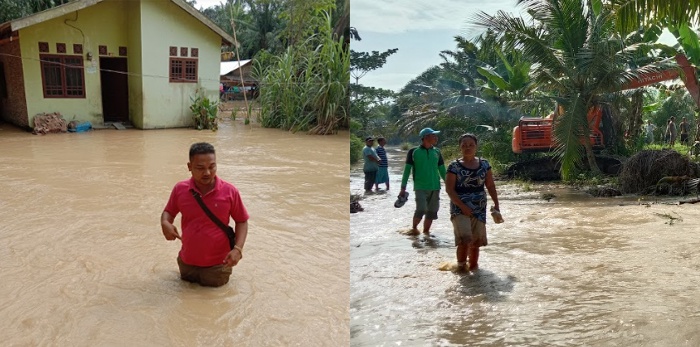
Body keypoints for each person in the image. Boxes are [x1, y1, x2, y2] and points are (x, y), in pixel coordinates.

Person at [161, 142, 249, 287]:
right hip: (186, 263)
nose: (207, 172)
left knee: (215, 304)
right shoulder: (180, 190)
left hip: (218, 266)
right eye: (200, 168)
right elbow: (168, 213)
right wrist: (165, 224)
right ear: (189, 167)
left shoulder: (230, 192)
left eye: (212, 166)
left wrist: (238, 249)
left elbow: (242, 221)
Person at [445, 133, 500, 272]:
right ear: (460, 147)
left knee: (476, 241)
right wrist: (463, 206)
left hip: (479, 208)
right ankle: (461, 269)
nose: (467, 148)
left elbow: (490, 186)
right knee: (465, 239)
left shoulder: (485, 164)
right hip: (459, 207)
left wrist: (496, 204)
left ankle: (474, 271)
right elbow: (450, 190)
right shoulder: (454, 166)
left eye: (471, 145)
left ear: (476, 146)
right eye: (464, 145)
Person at [399, 127, 447, 234]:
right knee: (421, 209)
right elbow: (407, 171)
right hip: (420, 187)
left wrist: (450, 186)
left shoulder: (437, 152)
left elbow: (443, 171)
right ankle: (414, 229)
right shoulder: (413, 152)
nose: (436, 137)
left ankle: (426, 234)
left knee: (431, 212)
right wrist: (403, 188)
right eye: (433, 135)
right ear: (425, 137)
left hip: (435, 187)